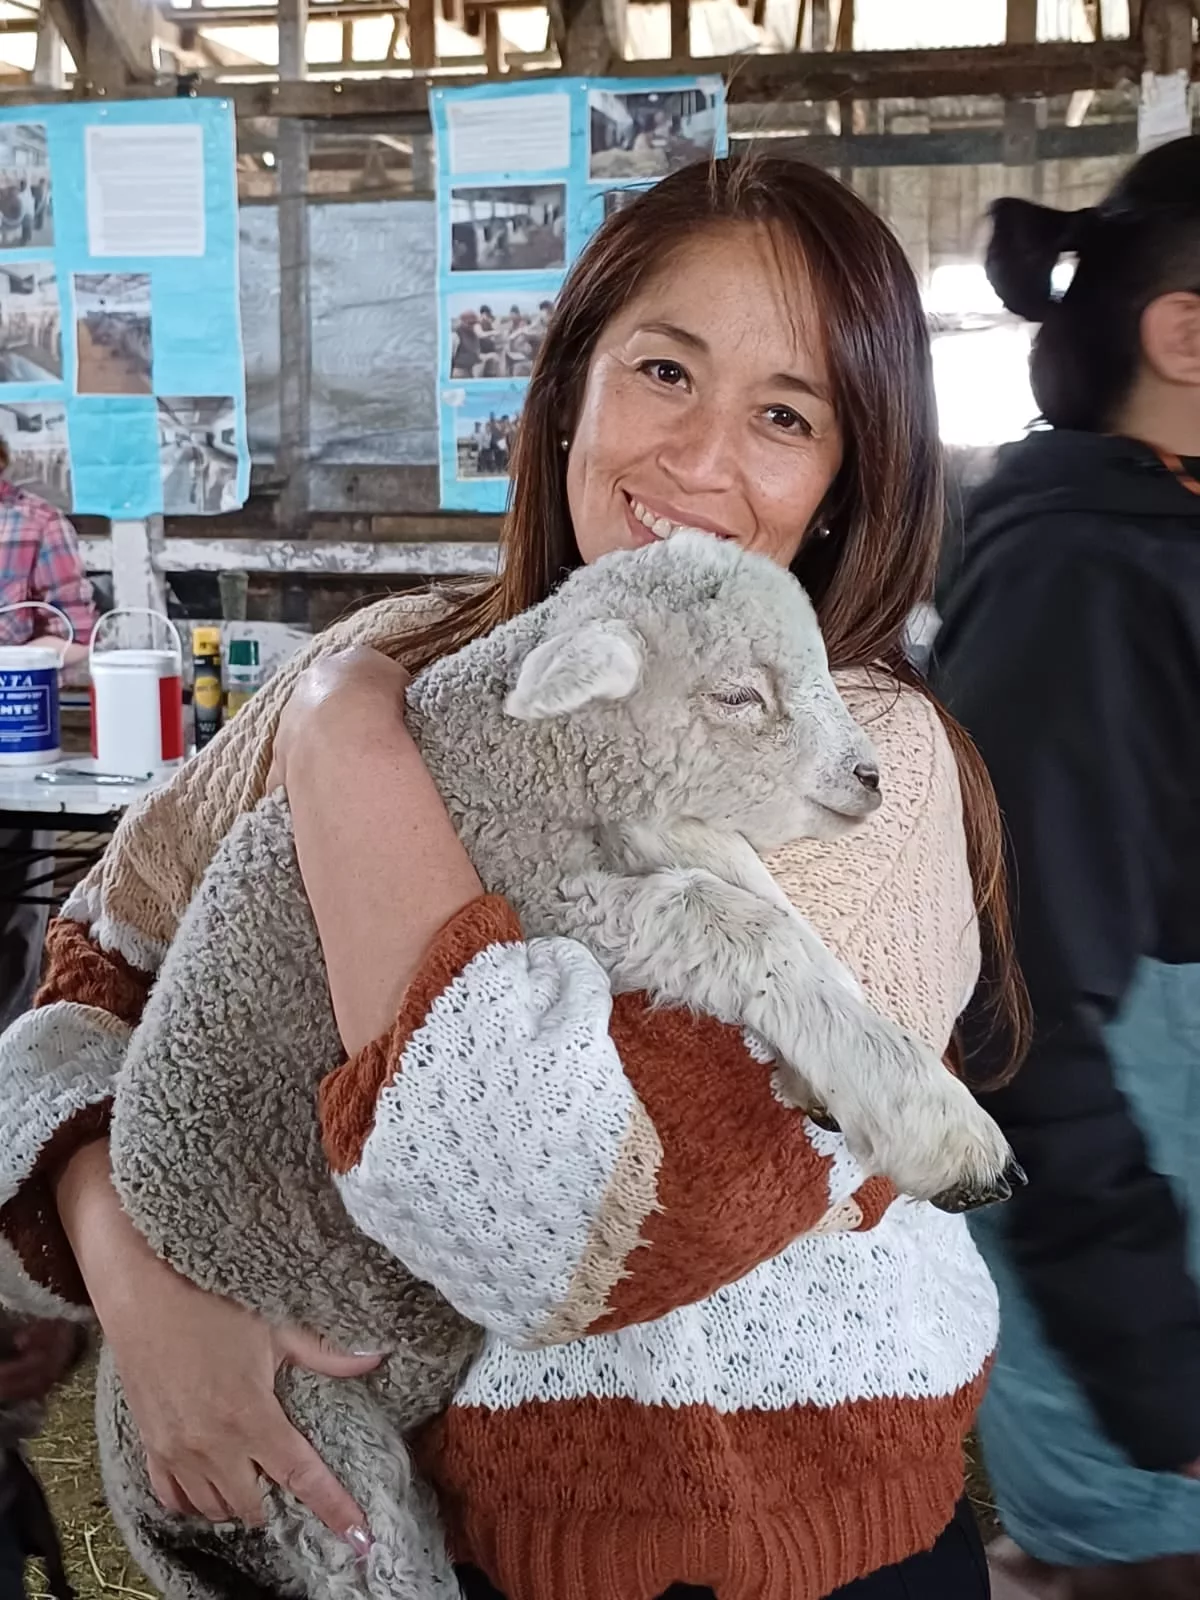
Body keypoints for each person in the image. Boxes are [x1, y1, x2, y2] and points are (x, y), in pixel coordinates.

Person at [0, 157, 1026, 1600]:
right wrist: (139, 1284)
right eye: (663, 369)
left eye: (785, 416)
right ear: (567, 391)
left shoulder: (861, 766)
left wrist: (345, 747)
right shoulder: (409, 651)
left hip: (766, 1544)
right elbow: (89, 978)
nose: (699, 455)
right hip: (401, 1529)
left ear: (848, 478)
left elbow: (569, 1236)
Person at [932, 136, 1200, 1599]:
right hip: (1146, 1390)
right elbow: (1018, 1013)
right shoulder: (1084, 578)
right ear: (1186, 333)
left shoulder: (1152, 539)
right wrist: (1160, 1374)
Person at [0, 441, 95, 1033]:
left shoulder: (35, 526)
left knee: (12, 919)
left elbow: (82, 643)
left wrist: (16, 657)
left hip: (13, 753)